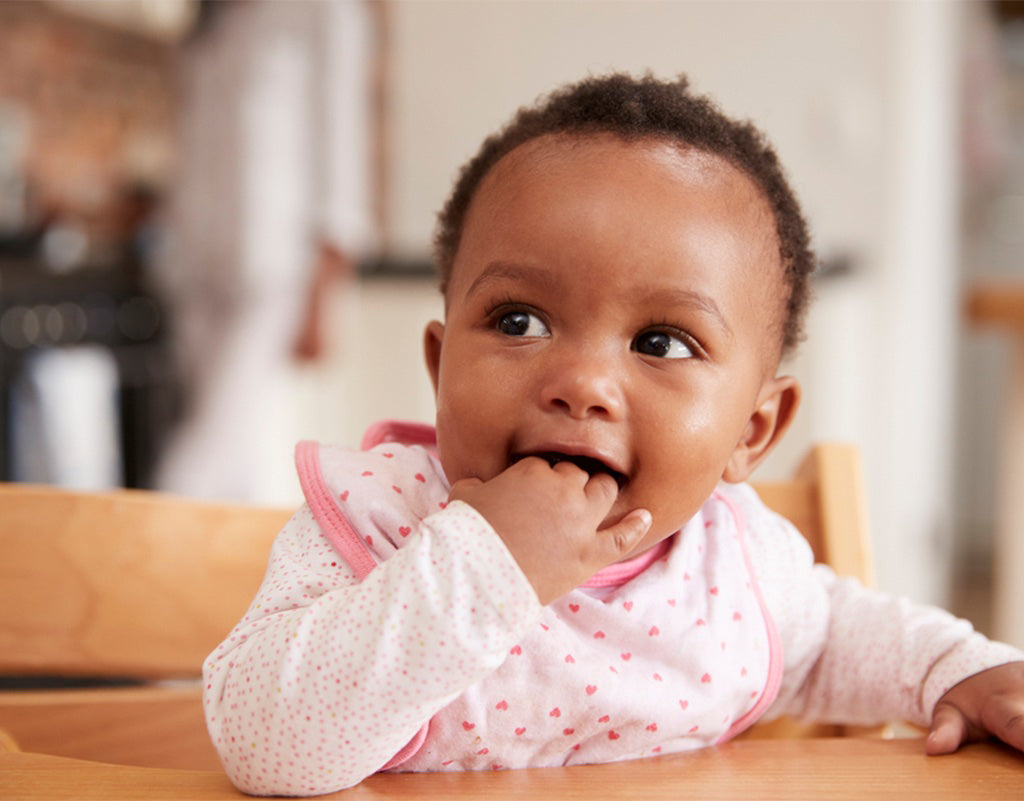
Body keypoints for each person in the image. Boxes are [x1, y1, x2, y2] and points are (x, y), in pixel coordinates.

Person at [202, 74, 1024, 796]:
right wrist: (485, 562)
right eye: (518, 320)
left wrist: (963, 670)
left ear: (753, 428)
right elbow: (263, 743)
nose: (583, 383)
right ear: (439, 361)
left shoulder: (733, 572)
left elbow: (840, 642)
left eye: (661, 341)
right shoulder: (377, 524)